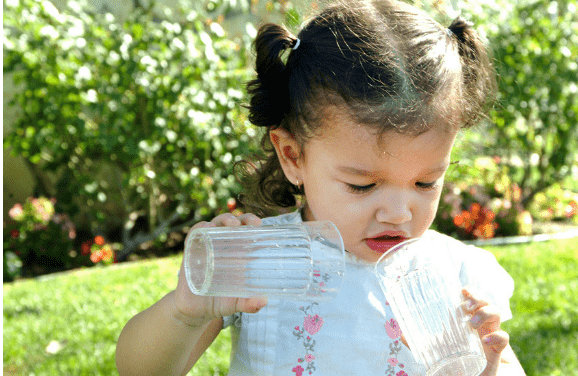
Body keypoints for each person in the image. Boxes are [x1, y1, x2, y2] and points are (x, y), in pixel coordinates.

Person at [116, 0, 526, 375]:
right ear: (293, 156)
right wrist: (185, 314)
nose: (399, 213)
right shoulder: (259, 261)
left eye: (425, 182)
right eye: (362, 185)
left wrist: (489, 364)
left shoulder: (459, 276)